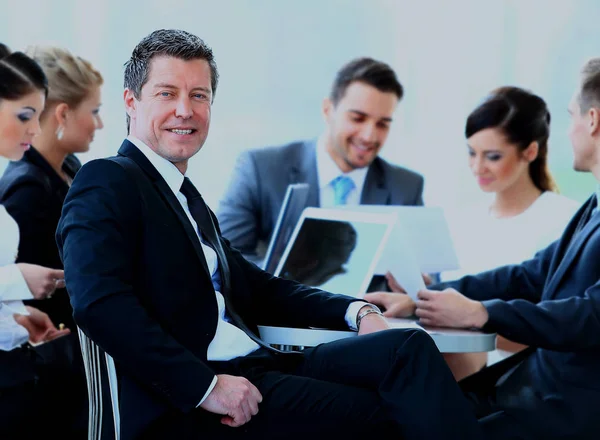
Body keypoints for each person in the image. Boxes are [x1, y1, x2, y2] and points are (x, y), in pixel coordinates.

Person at [57, 29, 482, 440]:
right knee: (395, 411)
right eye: (167, 93)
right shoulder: (107, 180)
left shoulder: (185, 197)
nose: (185, 110)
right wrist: (204, 387)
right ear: (131, 102)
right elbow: (99, 304)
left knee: (406, 348)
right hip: (195, 397)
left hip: (256, 364)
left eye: (199, 95)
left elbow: (260, 286)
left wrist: (356, 312)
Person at [366, 59, 600, 439]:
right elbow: (531, 274)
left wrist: (480, 314)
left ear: (592, 120)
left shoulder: (566, 211)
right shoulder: (593, 205)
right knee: (390, 410)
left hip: (567, 405)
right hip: (528, 385)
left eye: (571, 115)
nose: (569, 128)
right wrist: (426, 299)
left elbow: (590, 314)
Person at [368, 86, 580, 379]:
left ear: (530, 151)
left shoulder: (564, 220)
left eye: (492, 156)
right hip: (448, 355)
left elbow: (555, 325)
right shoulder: (463, 219)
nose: (477, 167)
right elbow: (459, 291)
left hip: (517, 370)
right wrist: (423, 291)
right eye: (471, 153)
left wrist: (465, 318)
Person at [217, 57, 424, 264]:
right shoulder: (260, 170)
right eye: (357, 119)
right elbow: (224, 258)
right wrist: (287, 283)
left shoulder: (406, 188)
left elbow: (426, 272)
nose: (369, 136)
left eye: (382, 124)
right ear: (327, 110)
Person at [0, 45, 86, 440]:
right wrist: (18, 280)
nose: (35, 129)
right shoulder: (24, 187)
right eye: (24, 116)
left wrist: (17, 321)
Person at [0, 45, 104, 329]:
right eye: (94, 111)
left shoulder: (70, 167)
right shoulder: (26, 191)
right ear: (62, 114)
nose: (100, 124)